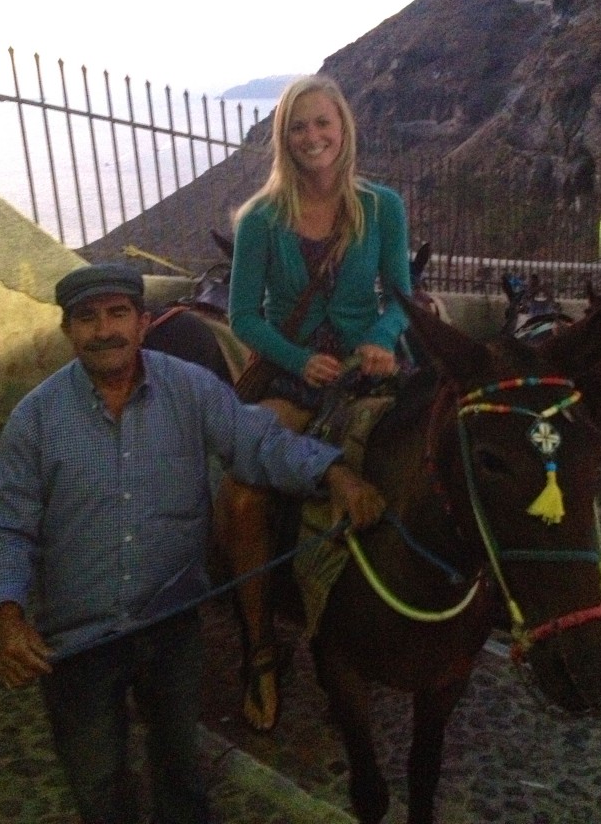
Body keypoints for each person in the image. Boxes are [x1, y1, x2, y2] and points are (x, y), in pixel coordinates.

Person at [0, 262, 385, 824]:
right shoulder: (36, 419)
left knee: (179, 773)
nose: (105, 329)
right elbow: (5, 521)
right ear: (68, 331)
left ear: (144, 323)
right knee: (98, 783)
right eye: (87, 318)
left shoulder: (189, 389)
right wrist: (7, 611)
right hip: (78, 638)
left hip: (171, 624)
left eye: (118, 313)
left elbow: (256, 441)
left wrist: (335, 473)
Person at [219, 74, 412, 732]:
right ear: (283, 138)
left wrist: (383, 340)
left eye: (322, 124)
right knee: (244, 495)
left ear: (343, 128)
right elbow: (243, 316)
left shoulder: (383, 208)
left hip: (368, 376)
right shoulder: (259, 221)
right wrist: (299, 358)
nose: (312, 138)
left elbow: (401, 302)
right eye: (298, 127)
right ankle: (261, 648)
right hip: (294, 381)